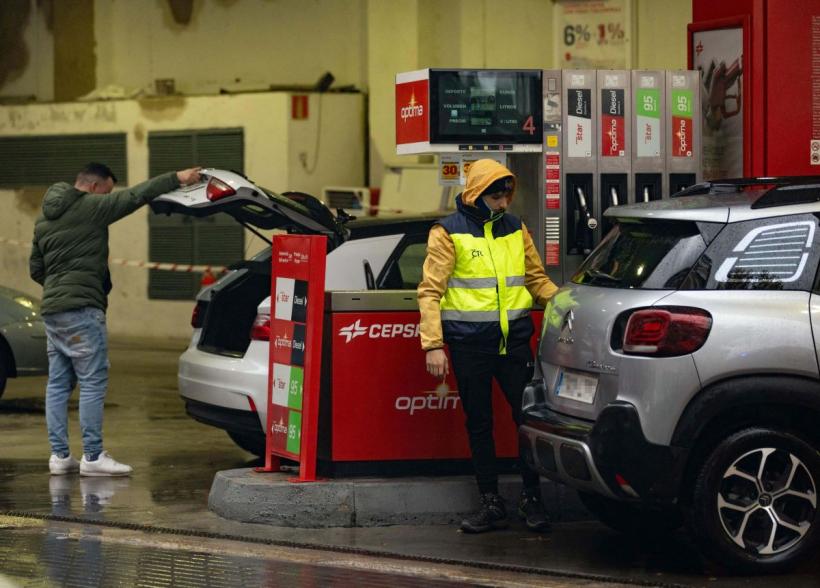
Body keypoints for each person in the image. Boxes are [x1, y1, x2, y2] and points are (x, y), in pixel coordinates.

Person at [30, 163, 202, 476]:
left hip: (54, 311)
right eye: (107, 192)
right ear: (95, 187)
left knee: (57, 385)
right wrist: (177, 178)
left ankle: (60, 456)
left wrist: (62, 287)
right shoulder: (92, 207)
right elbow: (136, 196)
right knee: (92, 381)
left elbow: (36, 269)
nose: (108, 197)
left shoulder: (43, 219)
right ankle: (93, 456)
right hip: (82, 309)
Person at [418, 158, 558, 533]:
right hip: (470, 346)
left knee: (526, 421)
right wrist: (433, 345)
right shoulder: (448, 232)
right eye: (496, 197)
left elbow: (536, 280)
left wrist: (565, 304)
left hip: (514, 344)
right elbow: (430, 291)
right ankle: (490, 502)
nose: (503, 203)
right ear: (476, 194)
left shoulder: (515, 228)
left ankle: (532, 498)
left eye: (507, 196)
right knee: (479, 424)